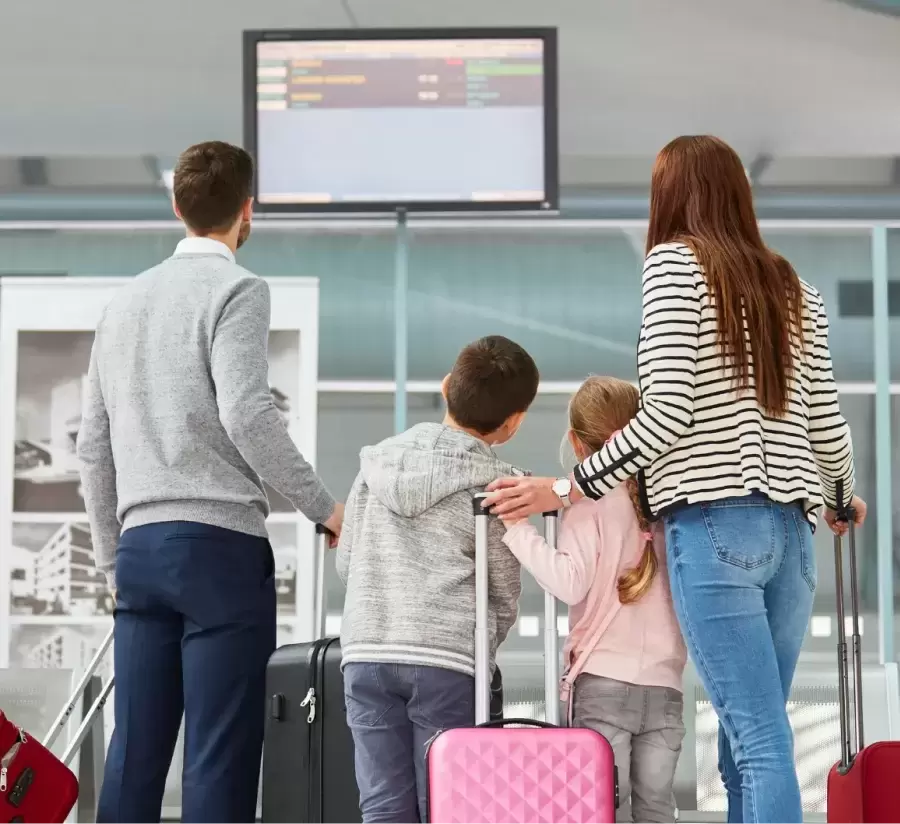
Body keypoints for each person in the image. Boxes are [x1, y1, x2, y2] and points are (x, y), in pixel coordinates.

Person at [484, 135, 866, 824]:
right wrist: (839, 498)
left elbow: (665, 415)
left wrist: (569, 488)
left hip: (717, 526)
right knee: (756, 735)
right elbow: (827, 425)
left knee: (756, 738)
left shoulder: (674, 268)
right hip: (792, 533)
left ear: (669, 196)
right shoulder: (795, 289)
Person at [76, 140, 343, 824]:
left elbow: (92, 447)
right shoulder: (238, 290)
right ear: (248, 211)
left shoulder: (123, 304)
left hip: (139, 553)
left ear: (176, 206)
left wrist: (113, 558)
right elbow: (248, 413)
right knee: (218, 756)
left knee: (134, 753)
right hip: (219, 551)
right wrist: (324, 508)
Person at [336, 335, 538, 824]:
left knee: (382, 806)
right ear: (514, 424)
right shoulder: (499, 484)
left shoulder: (375, 465)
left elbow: (348, 561)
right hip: (446, 659)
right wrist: (484, 644)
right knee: (450, 805)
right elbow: (503, 588)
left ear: (447, 387)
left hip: (366, 652)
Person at [504, 376, 686, 824]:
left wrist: (516, 530)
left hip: (603, 683)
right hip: (667, 688)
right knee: (657, 809)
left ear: (576, 442)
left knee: (598, 809)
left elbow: (570, 583)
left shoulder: (589, 499)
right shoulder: (670, 501)